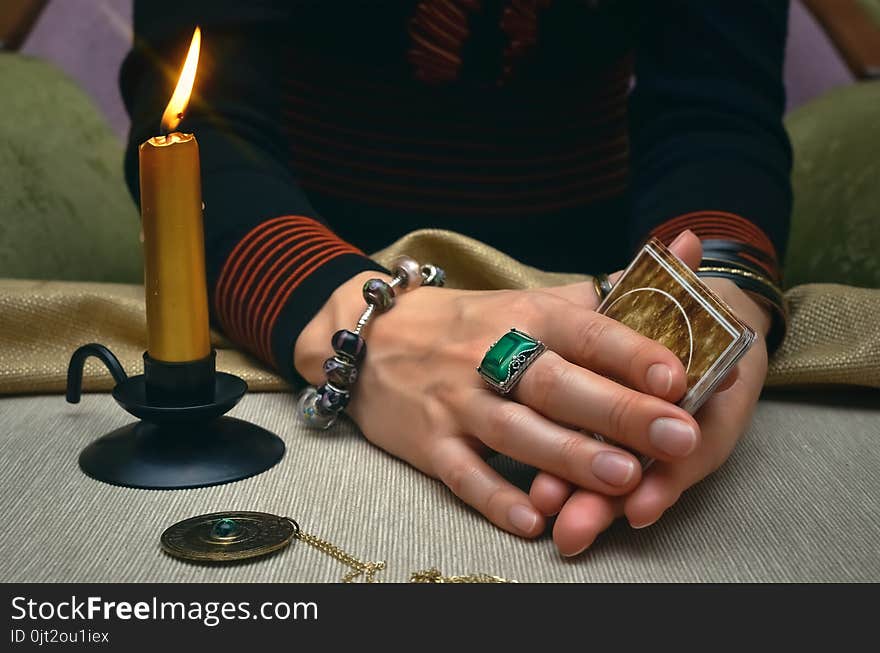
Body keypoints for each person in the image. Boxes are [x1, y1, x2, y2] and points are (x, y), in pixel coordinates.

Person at [122, 1, 791, 557]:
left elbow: (716, 109)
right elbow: (197, 111)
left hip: (600, 294)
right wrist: (352, 318)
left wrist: (720, 286)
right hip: (300, 275)